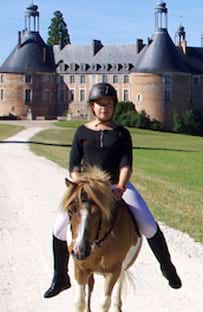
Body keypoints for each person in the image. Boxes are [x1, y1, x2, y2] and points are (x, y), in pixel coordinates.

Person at [43, 82, 181, 298]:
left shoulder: (121, 133)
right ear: (92, 106)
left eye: (108, 104)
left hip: (115, 186)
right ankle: (60, 276)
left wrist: (121, 187)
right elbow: (74, 166)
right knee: (58, 227)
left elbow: (126, 164)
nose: (103, 108)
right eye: (99, 104)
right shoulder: (81, 132)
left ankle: (167, 267)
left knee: (148, 223)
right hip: (86, 189)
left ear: (114, 106)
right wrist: (80, 186)